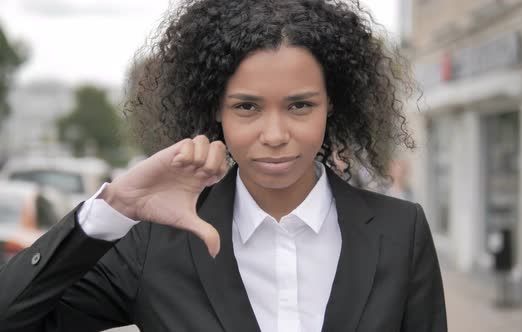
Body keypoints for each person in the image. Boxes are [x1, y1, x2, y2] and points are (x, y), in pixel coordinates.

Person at [0, 0, 447, 331]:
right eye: (248, 107)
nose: (274, 134)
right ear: (216, 109)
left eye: (300, 106)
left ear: (332, 105)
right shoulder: (157, 243)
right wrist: (115, 205)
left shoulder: (399, 231)